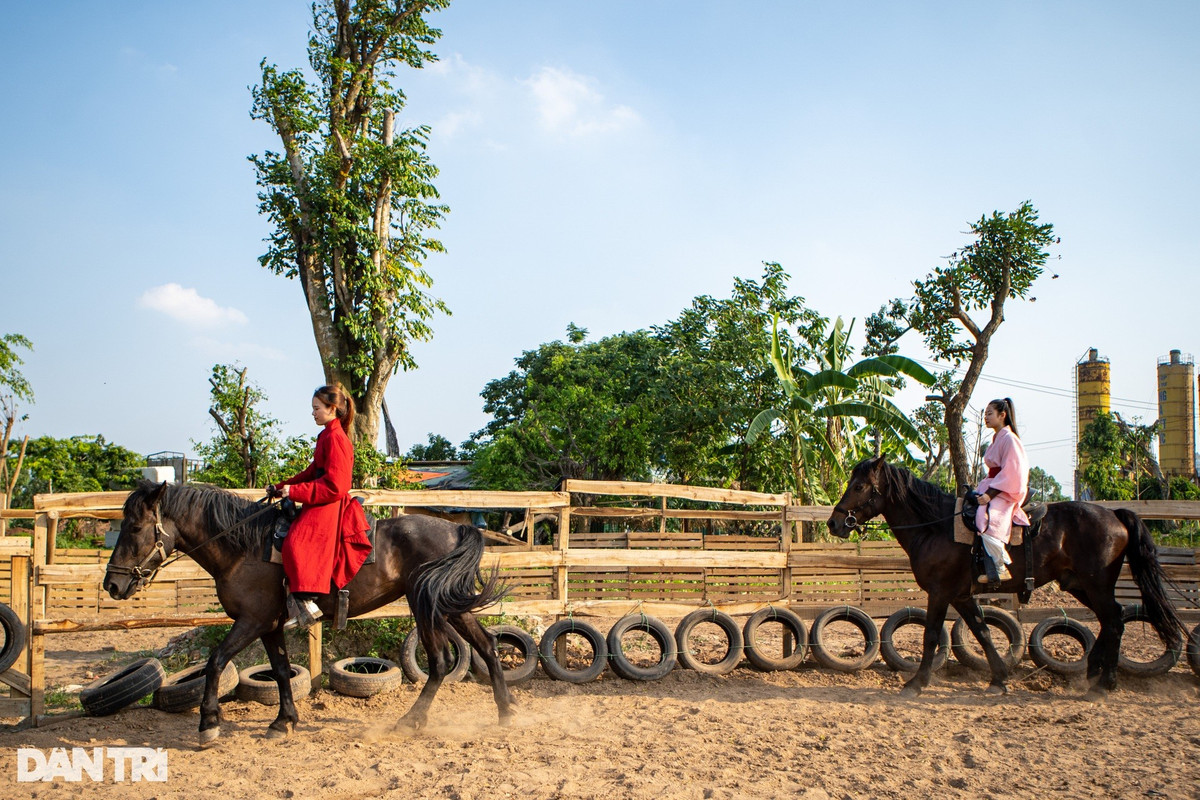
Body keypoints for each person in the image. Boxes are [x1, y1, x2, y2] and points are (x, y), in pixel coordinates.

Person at [267, 384, 372, 628]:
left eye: (316, 408)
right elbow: (313, 471)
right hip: (321, 498)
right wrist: (282, 485)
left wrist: (296, 492)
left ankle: (308, 601)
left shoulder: (337, 438)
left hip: (330, 502)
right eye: (313, 409)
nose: (313, 413)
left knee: (296, 542)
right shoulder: (326, 434)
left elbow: (337, 486)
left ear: (331, 408)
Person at [973, 397, 1030, 583]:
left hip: (1004, 490)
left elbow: (1013, 472)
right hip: (993, 484)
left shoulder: (1010, 439)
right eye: (985, 414)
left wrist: (990, 495)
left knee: (986, 520)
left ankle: (1000, 567)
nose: (986, 418)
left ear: (1002, 415)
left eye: (990, 413)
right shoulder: (998, 438)